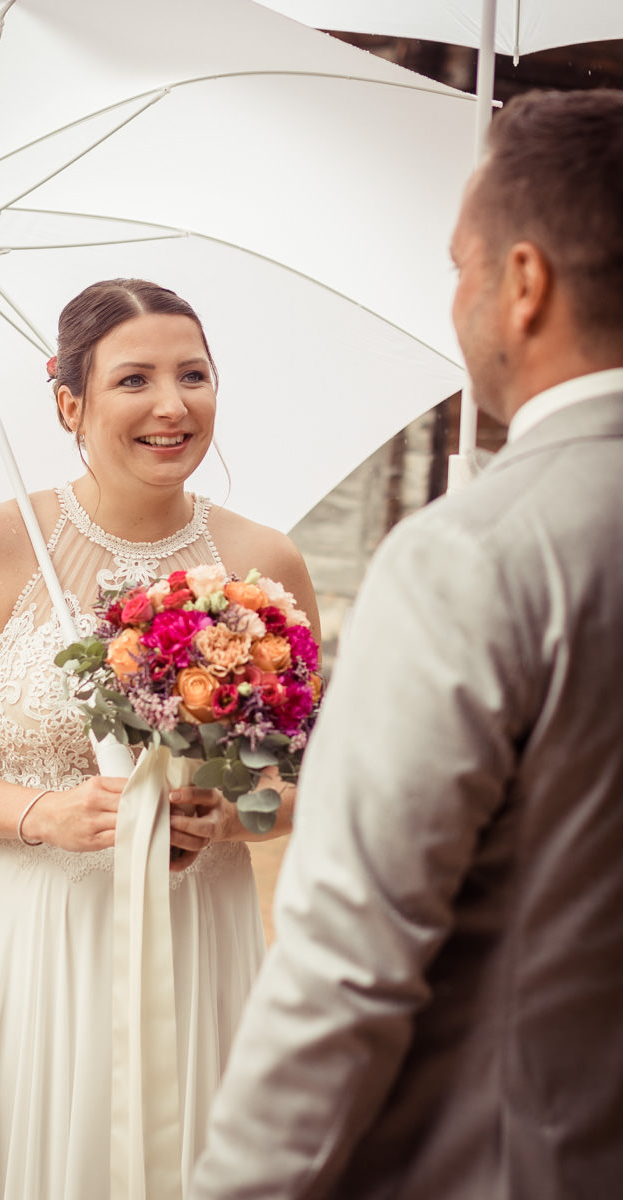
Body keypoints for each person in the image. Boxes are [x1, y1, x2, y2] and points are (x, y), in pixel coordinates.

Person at [189, 88, 623, 1200]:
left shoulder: (468, 558)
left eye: (459, 263)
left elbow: (347, 966)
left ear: (522, 284)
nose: (456, 298)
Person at [0, 278, 320, 1199]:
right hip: (17, 935)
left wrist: (233, 819)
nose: (171, 405)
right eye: (134, 380)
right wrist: (47, 813)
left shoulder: (263, 563)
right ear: (70, 403)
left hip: (191, 941)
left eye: (194, 375)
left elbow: (314, 782)